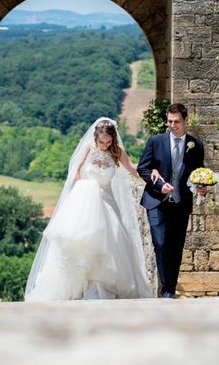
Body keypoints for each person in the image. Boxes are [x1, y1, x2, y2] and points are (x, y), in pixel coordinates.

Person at [24, 118, 152, 301]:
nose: (105, 146)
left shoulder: (116, 151)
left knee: (113, 241)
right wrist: (82, 185)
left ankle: (101, 286)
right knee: (83, 243)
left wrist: (153, 174)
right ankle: (79, 289)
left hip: (107, 202)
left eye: (108, 142)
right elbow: (74, 171)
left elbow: (133, 169)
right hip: (86, 201)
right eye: (102, 142)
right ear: (95, 137)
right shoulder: (88, 149)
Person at [137, 103, 205, 299]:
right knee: (160, 242)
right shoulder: (155, 141)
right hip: (156, 201)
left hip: (181, 203)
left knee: (176, 247)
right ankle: (166, 289)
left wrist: (202, 187)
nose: (172, 125)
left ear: (185, 121)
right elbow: (143, 168)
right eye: (169, 121)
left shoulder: (196, 145)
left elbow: (198, 173)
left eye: (176, 122)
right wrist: (160, 185)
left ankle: (169, 290)